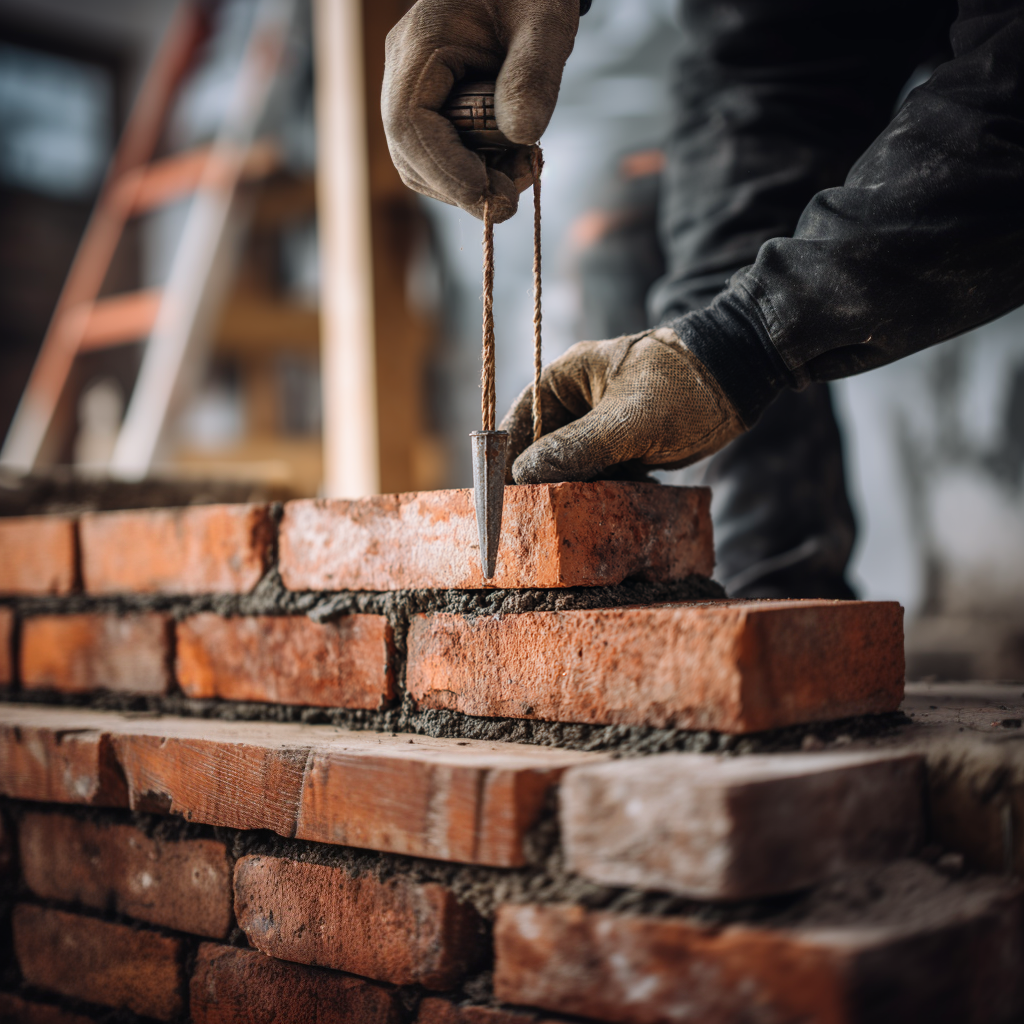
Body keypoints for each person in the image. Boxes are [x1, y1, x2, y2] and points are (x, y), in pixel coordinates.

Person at [382, 0, 1024, 596]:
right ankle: (770, 616)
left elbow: (1007, 111)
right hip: (786, 25)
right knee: (699, 271)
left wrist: (738, 345)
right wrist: (707, 336)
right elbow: (765, 94)